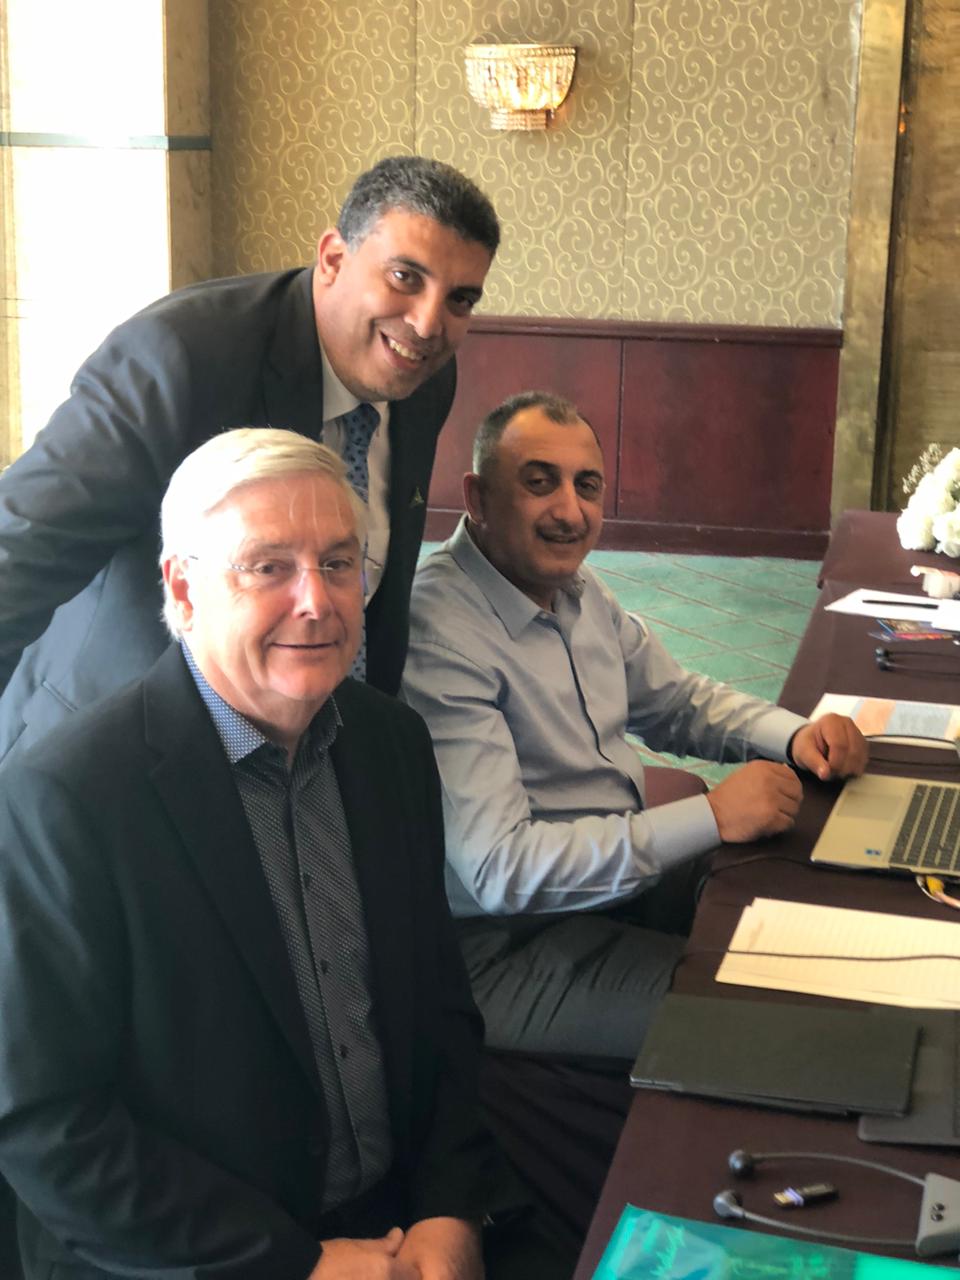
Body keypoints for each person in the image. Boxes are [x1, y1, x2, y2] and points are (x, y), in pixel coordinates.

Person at [0, 428, 572, 1280]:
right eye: (268, 567)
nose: (317, 601)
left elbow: (440, 1008)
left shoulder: (392, 745)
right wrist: (294, 1265)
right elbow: (46, 1123)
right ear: (183, 588)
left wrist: (452, 1207)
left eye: (338, 563)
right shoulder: (66, 798)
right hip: (198, 1254)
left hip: (401, 1227)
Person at [402, 391, 868, 1062]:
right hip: (504, 942)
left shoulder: (580, 591)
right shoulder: (442, 633)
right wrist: (711, 816)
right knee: (765, 1015)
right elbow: (502, 871)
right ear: (477, 497)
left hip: (608, 879)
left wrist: (795, 735)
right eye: (539, 483)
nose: (570, 512)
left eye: (587, 486)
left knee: (804, 889)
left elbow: (674, 702)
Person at [0, 154, 498, 763]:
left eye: (460, 299)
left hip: (305, 742)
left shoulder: (425, 377)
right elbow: (19, 550)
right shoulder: (179, 359)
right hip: (118, 747)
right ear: (333, 258)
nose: (427, 322)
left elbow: (382, 578)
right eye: (404, 277)